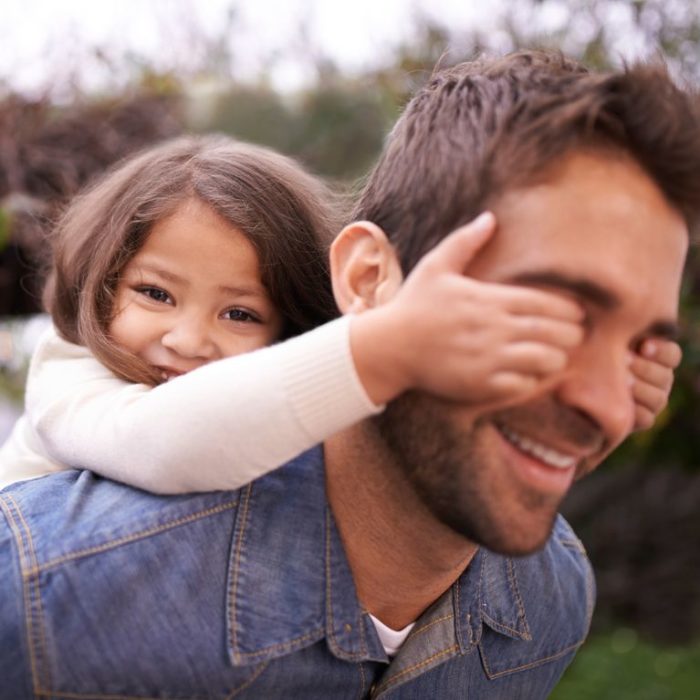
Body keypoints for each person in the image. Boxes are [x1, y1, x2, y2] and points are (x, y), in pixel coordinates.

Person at [1, 50, 698, 698]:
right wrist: (382, 346)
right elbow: (160, 438)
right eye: (538, 320)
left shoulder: (552, 603)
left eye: (640, 349)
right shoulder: (47, 588)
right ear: (366, 282)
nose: (612, 405)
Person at [0, 135, 598, 493]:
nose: (187, 339)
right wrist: (385, 345)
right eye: (156, 294)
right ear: (100, 286)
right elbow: (163, 443)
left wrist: (584, 407)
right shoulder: (70, 374)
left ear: (292, 325)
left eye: (238, 313)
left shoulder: (266, 409)